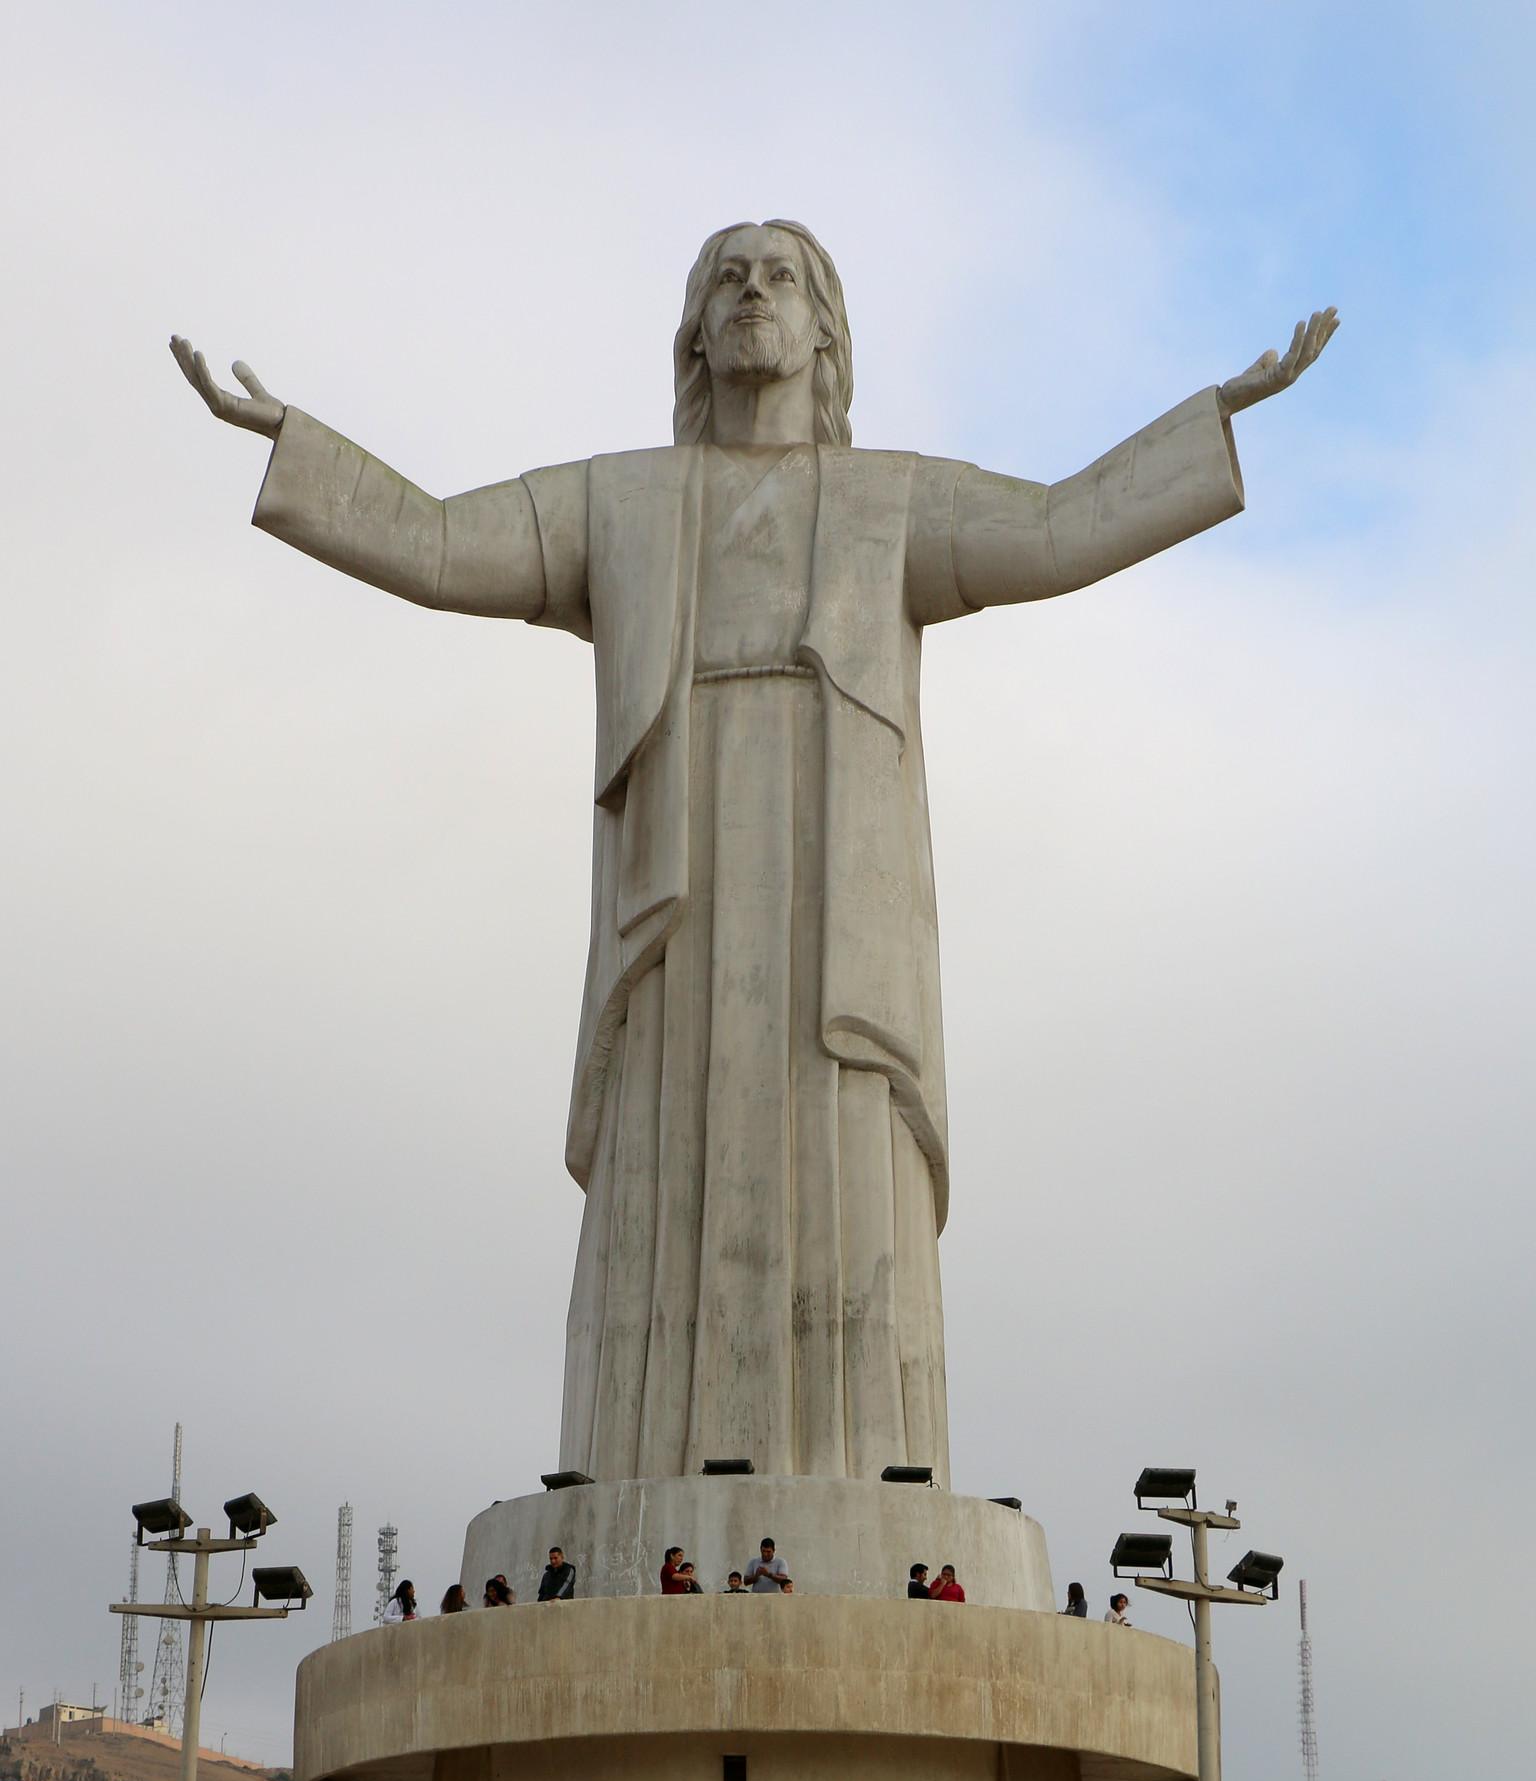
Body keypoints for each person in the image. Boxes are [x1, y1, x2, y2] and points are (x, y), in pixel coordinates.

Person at [172, 224, 1334, 1495]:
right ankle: (640, 1454)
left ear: (827, 330)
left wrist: (1214, 416)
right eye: (726, 278)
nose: (751, 295)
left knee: (841, 1117)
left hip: (842, 869)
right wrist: (296, 442)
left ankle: (864, 1458)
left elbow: (1057, 530)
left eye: (780, 276)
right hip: (680, 868)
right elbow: (447, 544)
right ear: (693, 333)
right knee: (668, 1136)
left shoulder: (894, 500)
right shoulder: (621, 500)